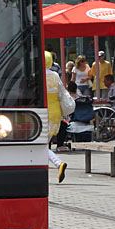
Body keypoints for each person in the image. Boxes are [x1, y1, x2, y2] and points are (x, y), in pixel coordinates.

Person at [44, 52, 70, 182]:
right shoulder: (55, 76)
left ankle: (59, 163)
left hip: (43, 113)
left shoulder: (38, 76)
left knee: (41, 145)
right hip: (55, 114)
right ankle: (45, 169)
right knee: (44, 143)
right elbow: (62, 94)